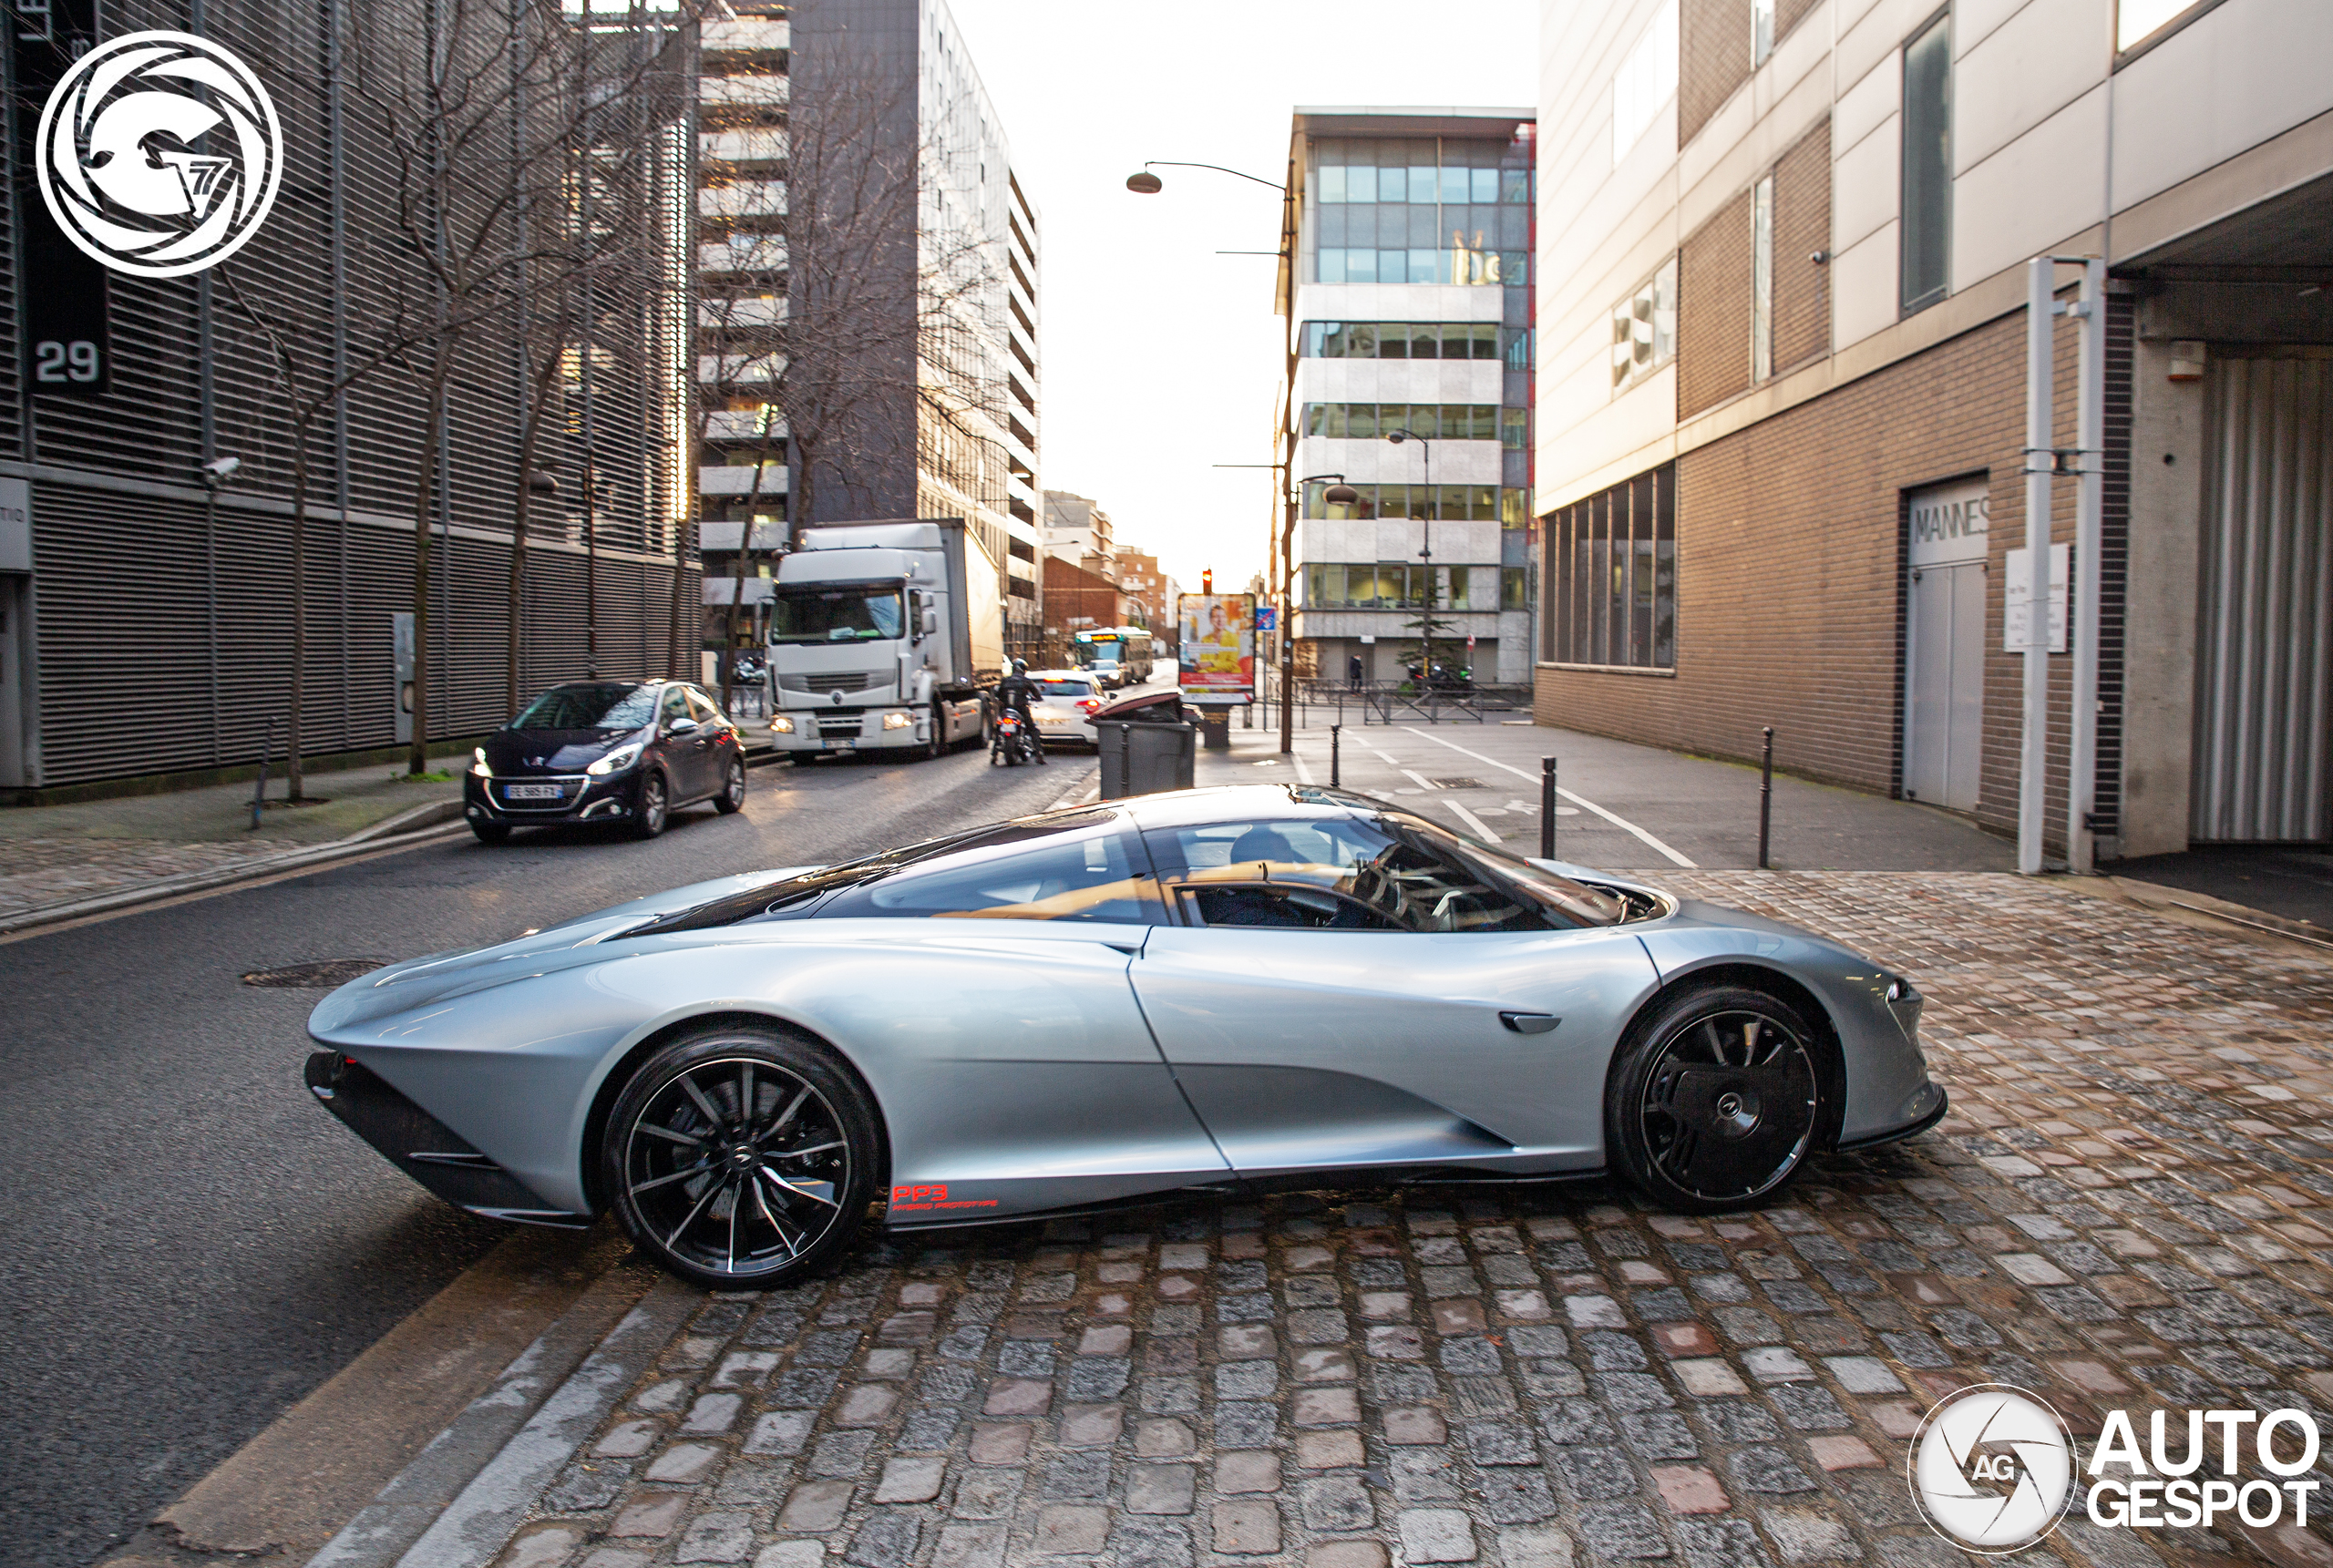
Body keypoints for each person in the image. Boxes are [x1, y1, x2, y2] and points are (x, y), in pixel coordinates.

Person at [992, 659, 1047, 764]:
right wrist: (1038, 698)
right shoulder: (1026, 681)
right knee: (1032, 730)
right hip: (1021, 710)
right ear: (1023, 670)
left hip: (1006, 711)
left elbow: (997, 694)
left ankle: (994, 754)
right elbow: (1037, 695)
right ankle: (1039, 754)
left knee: (999, 730)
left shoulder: (1005, 680)